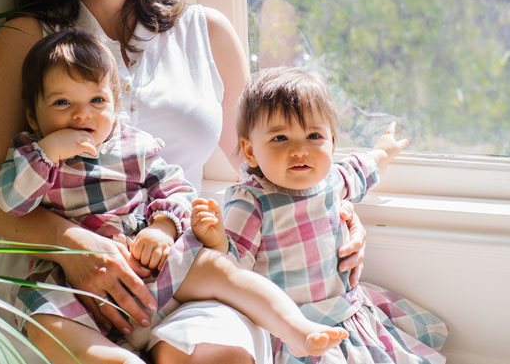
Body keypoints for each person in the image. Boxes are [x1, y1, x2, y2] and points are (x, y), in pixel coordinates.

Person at [0, 0, 368, 364]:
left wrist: (336, 208)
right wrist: (77, 248)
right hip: (72, 287)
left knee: (221, 353)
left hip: (184, 265)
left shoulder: (208, 33)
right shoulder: (27, 39)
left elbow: (262, 158)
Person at [0, 30, 348, 364]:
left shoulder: (134, 146)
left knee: (220, 269)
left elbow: (177, 189)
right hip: (75, 285)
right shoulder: (31, 156)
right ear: (32, 114)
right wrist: (48, 152)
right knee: (41, 321)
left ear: (116, 105)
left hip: (153, 262)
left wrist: (162, 228)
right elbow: (6, 202)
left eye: (97, 100)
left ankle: (295, 328)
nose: (83, 114)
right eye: (62, 102)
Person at [191, 68, 448, 364]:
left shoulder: (332, 181)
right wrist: (216, 239)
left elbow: (361, 170)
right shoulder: (251, 200)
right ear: (250, 152)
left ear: (333, 143)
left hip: (344, 312)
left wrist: (383, 152)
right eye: (280, 138)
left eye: (314, 136)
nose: (300, 149)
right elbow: (233, 269)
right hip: (293, 328)